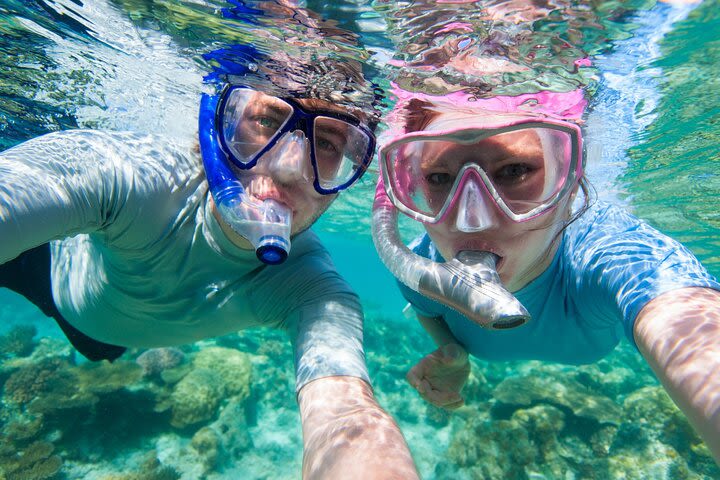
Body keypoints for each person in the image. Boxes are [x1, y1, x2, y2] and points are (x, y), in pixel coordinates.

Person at [0, 9, 420, 479]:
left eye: (328, 145)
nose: (288, 168)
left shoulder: (313, 289)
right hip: (45, 271)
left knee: (102, 350)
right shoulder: (128, 179)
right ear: (212, 127)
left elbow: (344, 417)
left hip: (105, 339)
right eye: (265, 120)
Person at [371, 86, 720, 463]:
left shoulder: (614, 254)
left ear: (569, 182)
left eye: (515, 170)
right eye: (438, 178)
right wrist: (453, 353)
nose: (471, 220)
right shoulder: (423, 262)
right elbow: (426, 308)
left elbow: (687, 325)